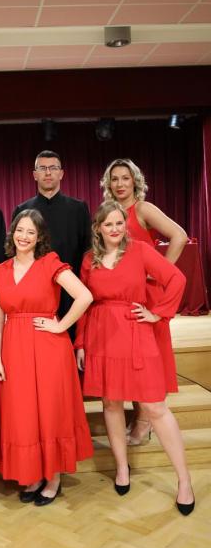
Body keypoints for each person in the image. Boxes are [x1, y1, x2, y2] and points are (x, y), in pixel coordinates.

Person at [75, 202, 194, 515]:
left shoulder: (140, 251)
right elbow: (85, 303)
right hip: (101, 336)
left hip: (135, 333)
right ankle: (122, 468)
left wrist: (158, 313)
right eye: (108, 224)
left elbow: (176, 279)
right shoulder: (89, 259)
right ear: (98, 228)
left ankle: (184, 480)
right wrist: (81, 343)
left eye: (119, 223)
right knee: (111, 404)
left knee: (155, 407)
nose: (115, 229)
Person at [0, 209, 93, 506]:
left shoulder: (50, 263)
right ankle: (34, 474)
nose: (24, 237)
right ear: (12, 233)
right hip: (14, 348)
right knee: (22, 413)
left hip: (49, 346)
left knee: (50, 411)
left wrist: (61, 325)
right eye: (20, 230)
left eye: (30, 232)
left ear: (39, 238)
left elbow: (84, 296)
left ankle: (53, 477)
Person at [101, 159, 187, 445]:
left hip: (146, 295)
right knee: (132, 360)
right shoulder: (111, 212)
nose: (120, 184)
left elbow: (179, 236)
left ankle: (144, 421)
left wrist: (158, 272)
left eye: (125, 178)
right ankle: (140, 417)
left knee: (149, 360)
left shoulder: (142, 209)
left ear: (135, 181)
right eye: (115, 178)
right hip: (124, 296)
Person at [12, 150, 92, 327]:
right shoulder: (22, 210)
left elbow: (88, 250)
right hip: (34, 292)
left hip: (71, 290)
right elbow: (15, 253)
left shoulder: (78, 208)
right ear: (35, 175)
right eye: (42, 168)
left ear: (61, 173)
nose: (48, 173)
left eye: (53, 168)